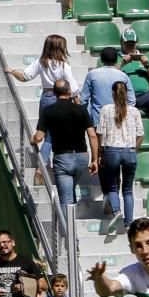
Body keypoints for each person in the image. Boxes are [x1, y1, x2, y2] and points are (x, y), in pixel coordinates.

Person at [5, 35, 81, 163]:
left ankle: (43, 164)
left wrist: (12, 71)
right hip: (62, 99)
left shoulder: (41, 62)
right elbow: (72, 88)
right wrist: (78, 106)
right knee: (59, 135)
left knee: (48, 135)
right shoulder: (64, 66)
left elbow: (25, 77)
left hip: (46, 97)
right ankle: (48, 165)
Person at [31, 79, 100, 207]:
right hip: (82, 157)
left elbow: (39, 137)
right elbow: (92, 135)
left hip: (63, 158)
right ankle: (71, 224)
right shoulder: (81, 110)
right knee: (70, 192)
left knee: (66, 200)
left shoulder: (48, 111)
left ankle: (67, 227)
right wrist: (94, 160)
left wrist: (33, 139)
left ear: (54, 93)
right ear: (69, 91)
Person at [98, 80, 144, 231]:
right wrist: (133, 149)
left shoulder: (105, 110)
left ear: (112, 93)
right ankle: (129, 222)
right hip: (129, 150)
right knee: (128, 189)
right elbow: (140, 135)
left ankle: (117, 211)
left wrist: (100, 152)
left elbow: (101, 133)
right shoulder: (134, 111)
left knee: (112, 187)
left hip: (111, 150)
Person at [83, 47, 137, 126]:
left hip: (98, 120)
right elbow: (131, 101)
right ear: (116, 60)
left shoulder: (92, 74)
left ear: (101, 59)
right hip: (119, 121)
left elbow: (83, 100)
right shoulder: (123, 76)